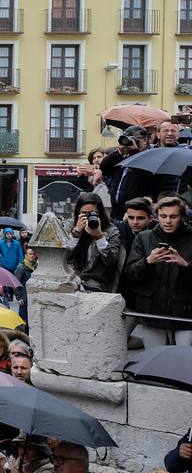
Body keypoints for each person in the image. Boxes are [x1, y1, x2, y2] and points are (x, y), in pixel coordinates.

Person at [124, 196, 192, 348]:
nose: (168, 221)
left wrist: (184, 265)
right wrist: (148, 262)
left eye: (173, 216)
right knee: (153, 360)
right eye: (163, 216)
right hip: (152, 313)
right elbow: (130, 274)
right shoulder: (144, 238)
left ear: (182, 217)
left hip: (185, 314)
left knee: (184, 362)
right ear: (157, 217)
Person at [67, 192, 123, 293]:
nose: (89, 217)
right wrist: (76, 233)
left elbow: (111, 261)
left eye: (93, 214)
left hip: (96, 285)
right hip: (71, 280)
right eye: (84, 214)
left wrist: (99, 236)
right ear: (78, 212)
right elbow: (64, 256)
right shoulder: (70, 225)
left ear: (100, 213)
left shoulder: (111, 230)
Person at [102, 124, 154, 217]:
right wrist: (118, 152)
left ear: (145, 140)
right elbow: (104, 168)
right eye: (128, 139)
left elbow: (142, 176)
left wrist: (135, 152)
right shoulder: (123, 157)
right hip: (116, 212)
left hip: (137, 213)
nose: (130, 142)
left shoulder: (152, 156)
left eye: (134, 139)